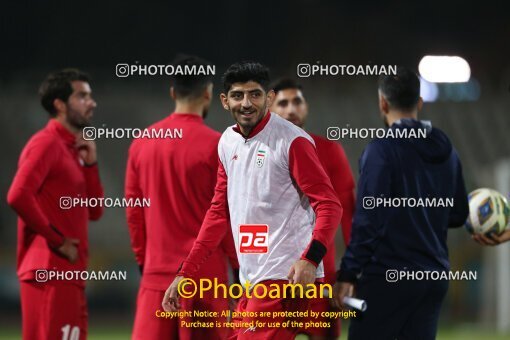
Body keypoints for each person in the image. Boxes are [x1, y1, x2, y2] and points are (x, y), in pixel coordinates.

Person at [162, 61, 342, 339]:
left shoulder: (293, 141)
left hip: (284, 279)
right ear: (224, 101)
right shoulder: (227, 142)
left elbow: (330, 205)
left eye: (255, 94)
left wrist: (310, 259)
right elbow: (218, 211)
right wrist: (186, 272)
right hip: (251, 283)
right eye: (237, 95)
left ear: (269, 98)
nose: (246, 103)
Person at [333, 67, 469, 340]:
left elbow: (369, 219)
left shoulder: (381, 149)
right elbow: (458, 214)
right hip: (433, 277)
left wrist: (348, 272)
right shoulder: (447, 150)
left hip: (388, 277)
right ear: (419, 102)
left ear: (383, 103)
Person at [125, 55, 238, 340]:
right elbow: (226, 217)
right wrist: (238, 271)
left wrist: (145, 263)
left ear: (172, 92)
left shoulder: (142, 142)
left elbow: (134, 214)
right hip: (206, 280)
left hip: (156, 277)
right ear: (208, 93)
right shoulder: (219, 145)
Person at [7, 69, 104, 340]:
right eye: (82, 96)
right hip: (50, 272)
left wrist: (92, 165)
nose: (92, 102)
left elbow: (95, 211)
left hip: (68, 274)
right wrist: (57, 240)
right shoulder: (46, 144)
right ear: (60, 105)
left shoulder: (71, 149)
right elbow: (17, 195)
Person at [270, 77, 355, 339]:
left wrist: (349, 274)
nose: (291, 109)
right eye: (283, 103)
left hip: (321, 276)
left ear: (306, 107)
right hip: (272, 277)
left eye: (297, 101)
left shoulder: (329, 150)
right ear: (270, 108)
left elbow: (349, 216)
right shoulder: (257, 152)